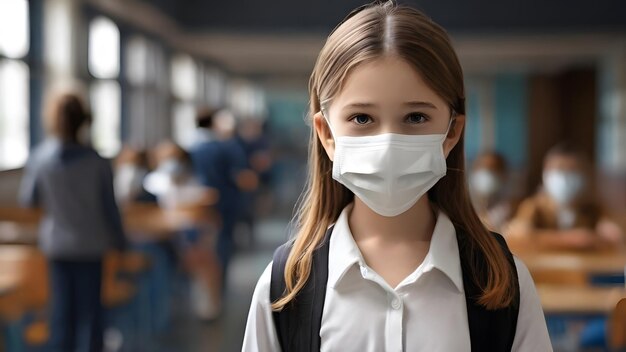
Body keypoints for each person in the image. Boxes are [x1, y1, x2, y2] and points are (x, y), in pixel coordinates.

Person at [242, 2, 551, 351]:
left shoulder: (501, 281)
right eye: (361, 118)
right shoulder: (286, 286)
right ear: (326, 134)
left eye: (416, 117)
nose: (387, 144)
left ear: (452, 132)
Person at [18, 92, 125, 352]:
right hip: (91, 244)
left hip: (58, 245)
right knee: (92, 314)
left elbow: (29, 200)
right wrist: (121, 242)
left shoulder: (41, 159)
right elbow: (110, 208)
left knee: (62, 314)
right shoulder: (97, 162)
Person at [189, 108, 256, 293]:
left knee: (202, 246)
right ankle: (218, 288)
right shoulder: (225, 147)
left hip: (201, 204)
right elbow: (242, 177)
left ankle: (206, 289)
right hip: (224, 203)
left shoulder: (193, 147)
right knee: (222, 246)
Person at [509, 143, 623, 250]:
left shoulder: (593, 208)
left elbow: (612, 233)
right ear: (545, 173)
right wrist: (569, 239)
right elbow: (517, 235)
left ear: (586, 175)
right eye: (559, 169)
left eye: (573, 170)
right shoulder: (533, 206)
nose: (565, 178)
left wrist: (609, 231)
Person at [469, 151, 518, 231]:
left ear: (504, 175)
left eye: (492, 168)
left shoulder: (511, 211)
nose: (486, 172)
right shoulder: (462, 206)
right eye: (481, 167)